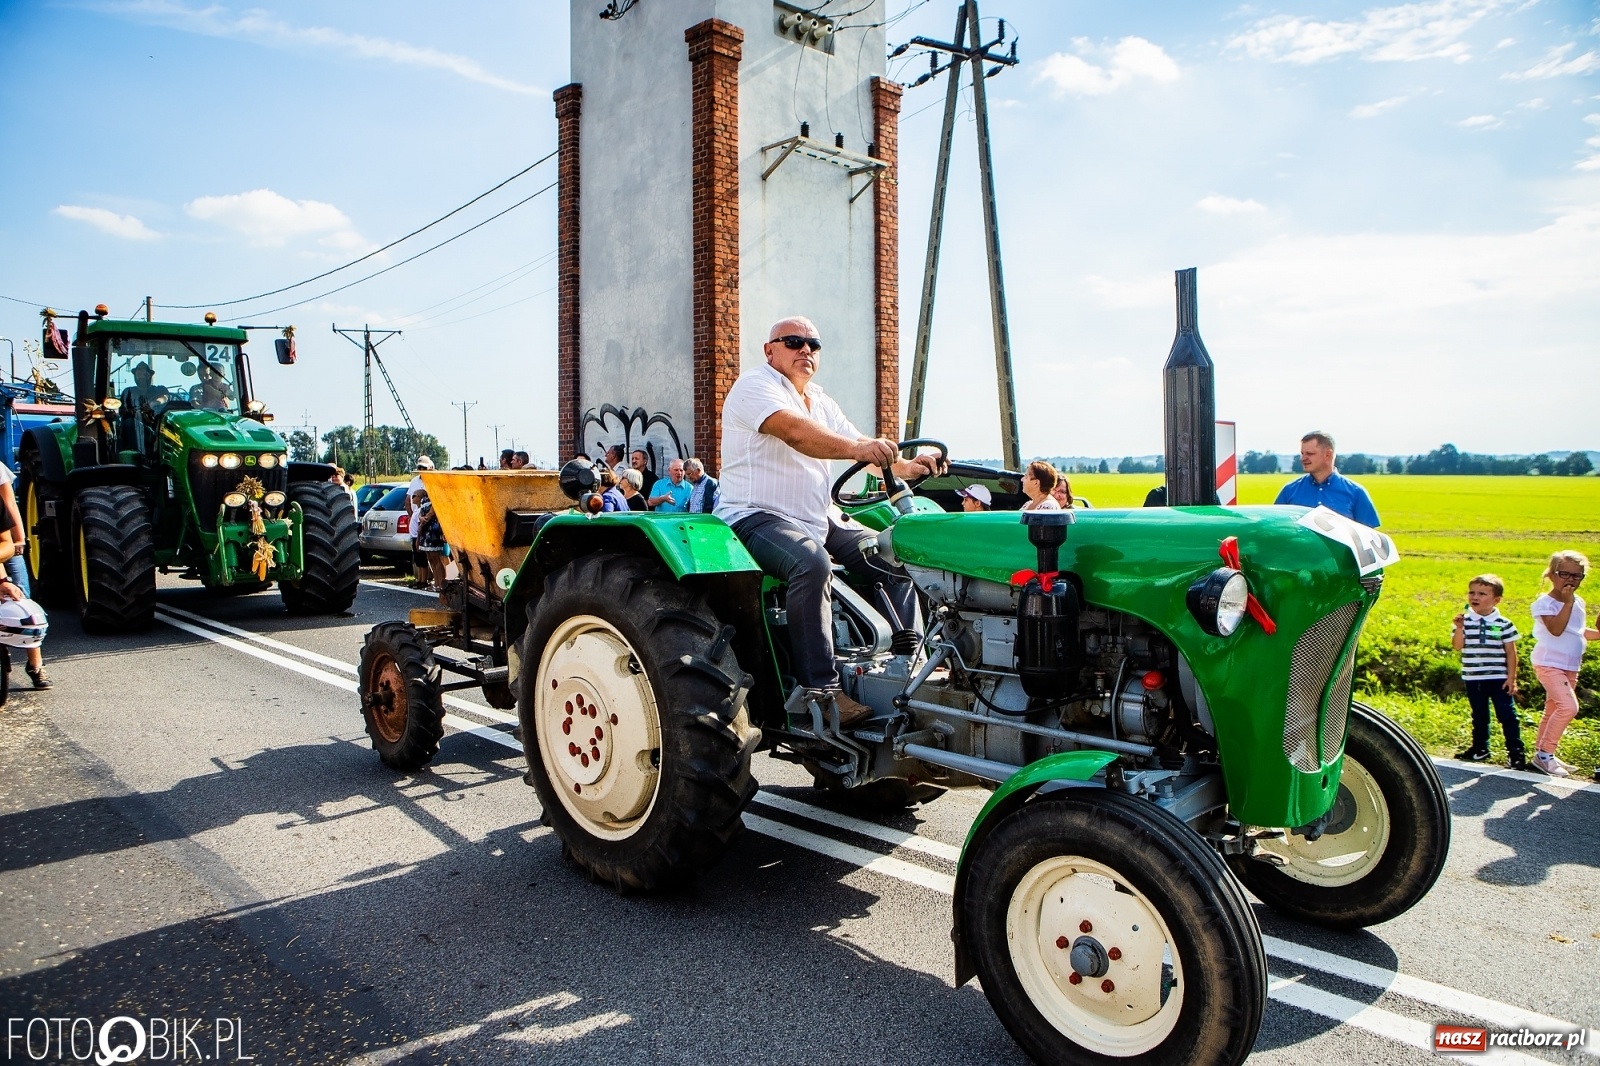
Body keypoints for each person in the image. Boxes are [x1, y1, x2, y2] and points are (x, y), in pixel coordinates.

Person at [715, 316, 942, 726]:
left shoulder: (819, 399)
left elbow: (864, 456)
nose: (806, 350)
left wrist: (911, 467)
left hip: (819, 515)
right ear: (770, 350)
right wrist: (861, 446)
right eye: (794, 341)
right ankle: (822, 691)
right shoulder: (755, 386)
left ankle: (911, 667)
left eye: (813, 344)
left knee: (895, 554)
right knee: (811, 563)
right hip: (755, 515)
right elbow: (797, 434)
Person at [1527, 551, 1597, 777]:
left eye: (1578, 576)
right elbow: (1556, 629)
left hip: (1571, 665)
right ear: (1551, 575)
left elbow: (1577, 631)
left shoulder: (1578, 602)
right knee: (1569, 707)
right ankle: (1546, 753)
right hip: (1549, 663)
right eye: (1564, 574)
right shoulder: (1544, 603)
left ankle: (1542, 754)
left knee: (1553, 708)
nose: (1571, 580)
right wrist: (1566, 603)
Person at [1451, 574, 1523, 770]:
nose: (1475, 597)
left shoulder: (1503, 623)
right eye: (1472, 592)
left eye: (1482, 593)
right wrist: (1459, 628)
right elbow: (1458, 646)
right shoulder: (1465, 621)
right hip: (1474, 678)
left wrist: (1511, 678)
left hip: (1499, 678)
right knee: (1480, 715)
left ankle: (1516, 752)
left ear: (1496, 600)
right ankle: (1480, 748)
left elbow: (1511, 652)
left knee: (1507, 715)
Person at [0, 460, 48, 688]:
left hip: (5, 541)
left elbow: (9, 503)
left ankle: (36, 665)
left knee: (23, 602)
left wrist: (19, 540)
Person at [1275, 431, 1381, 527]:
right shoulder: (1289, 491)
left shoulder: (1356, 493)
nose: (1303, 459)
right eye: (1302, 454)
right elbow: (1275, 526)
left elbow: (1369, 537)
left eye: (1310, 454)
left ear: (1328, 454)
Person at [414, 491, 448, 593]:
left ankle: (441, 584)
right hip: (425, 529)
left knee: (436, 558)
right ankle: (436, 582)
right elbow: (420, 512)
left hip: (432, 530)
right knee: (430, 558)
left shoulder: (434, 496)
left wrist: (425, 519)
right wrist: (421, 519)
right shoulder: (424, 499)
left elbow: (433, 511)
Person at [408, 456, 434, 586]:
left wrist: (424, 519)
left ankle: (428, 580)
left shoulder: (433, 481)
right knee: (418, 555)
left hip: (427, 521)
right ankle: (421, 579)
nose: (421, 470)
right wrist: (413, 516)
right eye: (419, 467)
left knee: (427, 555)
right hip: (418, 516)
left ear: (430, 468)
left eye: (424, 467)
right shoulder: (414, 481)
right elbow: (408, 499)